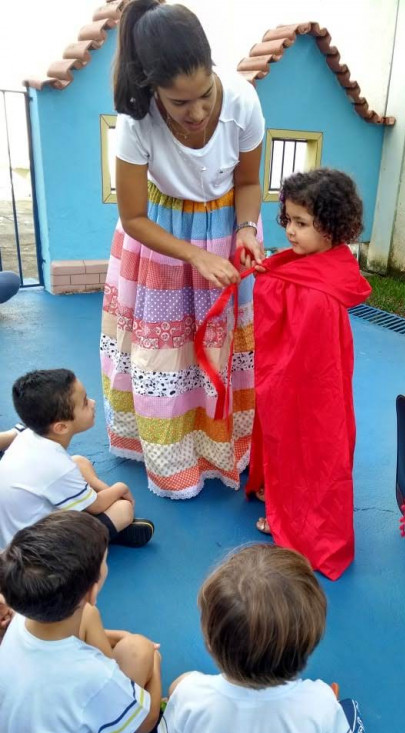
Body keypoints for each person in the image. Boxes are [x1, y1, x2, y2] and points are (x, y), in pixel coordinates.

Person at [101, 0, 265, 499]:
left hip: (224, 231)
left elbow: (250, 181)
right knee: (165, 356)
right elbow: (132, 218)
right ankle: (171, 459)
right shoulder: (137, 121)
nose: (195, 113)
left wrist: (247, 229)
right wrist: (194, 255)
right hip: (161, 244)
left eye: (204, 95)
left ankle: (221, 453)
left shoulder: (242, 102)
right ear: (153, 90)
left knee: (225, 349)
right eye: (179, 103)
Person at [158, 543, 365, 733]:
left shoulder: (191, 694)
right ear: (308, 644)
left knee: (179, 692)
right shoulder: (320, 701)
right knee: (351, 718)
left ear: (210, 642)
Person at [245, 169, 372, 580]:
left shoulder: (319, 288)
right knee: (286, 431)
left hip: (307, 381)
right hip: (302, 375)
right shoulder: (316, 267)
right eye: (289, 221)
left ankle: (298, 519)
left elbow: (305, 343)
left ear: (332, 229)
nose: (291, 232)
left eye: (302, 223)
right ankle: (279, 493)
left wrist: (273, 285)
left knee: (307, 439)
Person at [0, 511, 162, 733]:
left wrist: (119, 636)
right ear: (92, 590)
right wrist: (155, 662)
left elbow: (84, 618)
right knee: (140, 653)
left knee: (111, 634)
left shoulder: (17, 624)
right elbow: (147, 721)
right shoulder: (92, 676)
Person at [0, 369, 154, 549]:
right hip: (32, 553)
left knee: (80, 462)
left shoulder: (27, 434)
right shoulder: (57, 466)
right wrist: (120, 488)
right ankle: (105, 533)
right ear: (62, 427)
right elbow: (96, 506)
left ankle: (102, 518)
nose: (93, 402)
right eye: (85, 403)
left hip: (20, 528)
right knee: (124, 511)